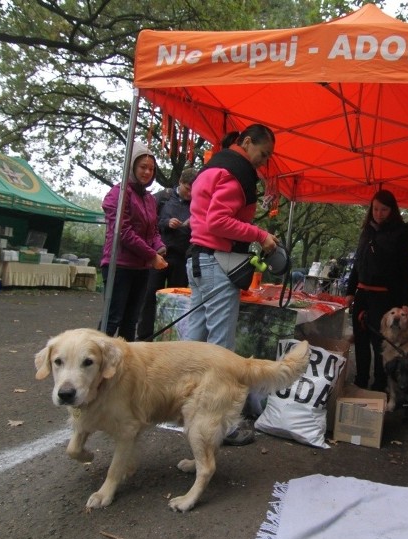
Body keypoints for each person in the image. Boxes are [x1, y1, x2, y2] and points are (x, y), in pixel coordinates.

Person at [185, 123, 280, 445]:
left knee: (191, 343)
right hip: (217, 261)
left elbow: (203, 217)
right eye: (263, 154)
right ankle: (220, 427)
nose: (263, 162)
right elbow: (219, 220)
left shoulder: (214, 166)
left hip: (197, 258)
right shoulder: (237, 173)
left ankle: (182, 411)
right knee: (219, 351)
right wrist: (260, 235)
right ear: (248, 142)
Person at [345, 189, 408, 394]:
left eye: (383, 210)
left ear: (392, 210)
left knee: (380, 341)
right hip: (362, 294)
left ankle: (379, 384)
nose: (378, 213)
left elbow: (406, 269)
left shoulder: (402, 233)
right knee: (360, 339)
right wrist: (350, 291)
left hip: (385, 296)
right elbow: (358, 263)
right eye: (375, 209)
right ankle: (360, 380)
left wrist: (407, 302)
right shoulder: (367, 230)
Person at [100, 142, 167, 341]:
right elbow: (124, 232)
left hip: (141, 268)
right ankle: (96, 363)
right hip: (119, 265)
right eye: (143, 167)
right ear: (132, 167)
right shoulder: (118, 193)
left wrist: (159, 246)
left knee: (131, 321)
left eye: (151, 169)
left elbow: (153, 230)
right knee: (112, 319)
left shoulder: (149, 199)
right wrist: (151, 254)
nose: (147, 172)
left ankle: (126, 368)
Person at [137, 167, 197, 341]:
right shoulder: (163, 198)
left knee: (176, 301)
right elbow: (148, 221)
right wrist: (166, 222)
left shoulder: (197, 204)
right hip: (159, 255)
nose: (190, 194)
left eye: (193, 191)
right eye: (187, 189)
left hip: (181, 257)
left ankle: (170, 339)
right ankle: (144, 337)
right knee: (150, 297)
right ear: (180, 183)